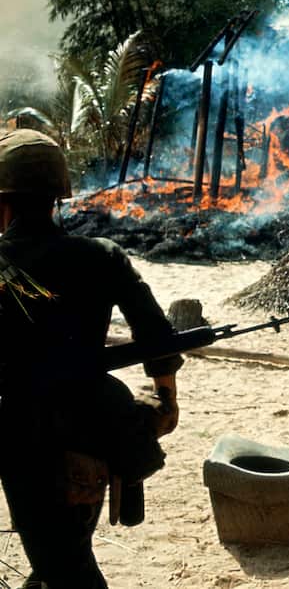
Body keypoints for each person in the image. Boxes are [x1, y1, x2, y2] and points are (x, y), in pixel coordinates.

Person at [0, 129, 182, 589]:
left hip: (23, 436)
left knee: (66, 568)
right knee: (63, 556)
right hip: (95, 424)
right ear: (58, 197)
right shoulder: (102, 256)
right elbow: (155, 334)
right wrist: (167, 399)